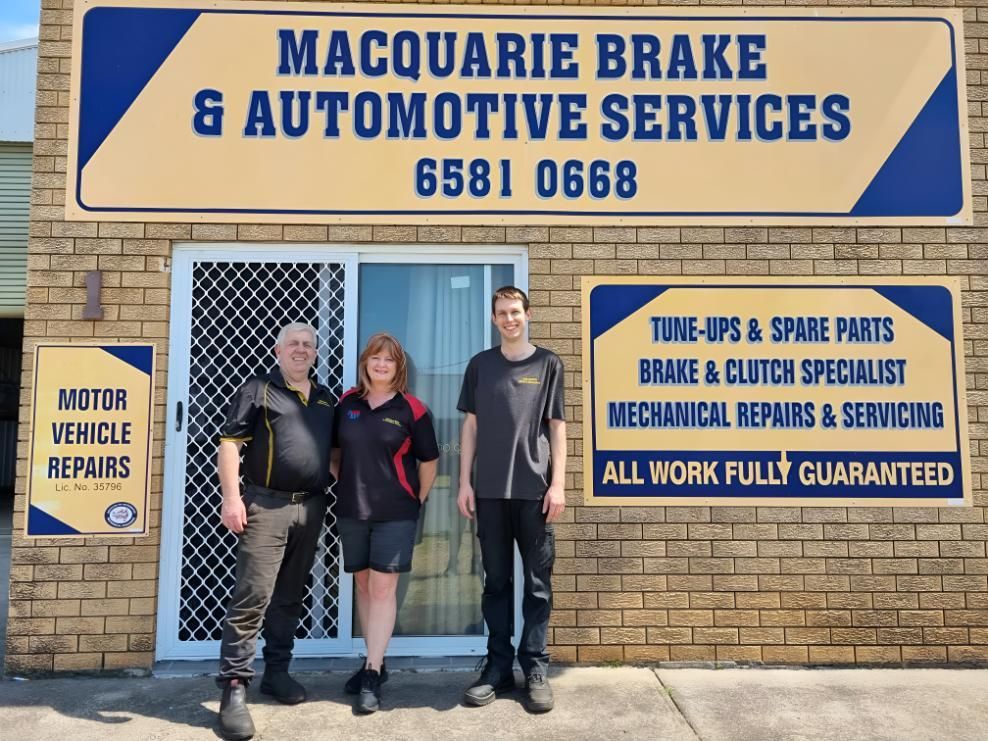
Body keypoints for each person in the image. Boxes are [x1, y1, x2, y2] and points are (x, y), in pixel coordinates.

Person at [214, 322, 334, 741]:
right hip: (265, 505)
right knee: (252, 597)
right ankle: (233, 688)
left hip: (311, 506)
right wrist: (232, 499)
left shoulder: (324, 398)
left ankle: (276, 674)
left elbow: (332, 456)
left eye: (308, 345)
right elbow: (230, 444)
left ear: (316, 353)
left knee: (289, 598)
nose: (301, 350)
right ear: (278, 350)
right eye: (293, 344)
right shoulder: (258, 389)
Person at [457, 286, 567, 713]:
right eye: (501, 313)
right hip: (488, 493)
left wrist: (558, 484)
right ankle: (499, 668)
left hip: (534, 493)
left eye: (515, 311)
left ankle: (535, 666)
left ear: (528, 314)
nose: (509, 319)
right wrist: (464, 482)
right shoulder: (480, 366)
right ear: (493, 319)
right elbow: (470, 428)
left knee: (538, 586)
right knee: (496, 583)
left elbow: (556, 427)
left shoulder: (548, 363)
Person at [332, 332, 439, 713]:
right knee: (362, 584)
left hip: (396, 512)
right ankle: (372, 659)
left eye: (389, 360)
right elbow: (335, 453)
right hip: (352, 510)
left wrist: (417, 497)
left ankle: (373, 672)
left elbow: (429, 461)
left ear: (399, 368)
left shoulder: (413, 409)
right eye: (375, 358)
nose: (381, 365)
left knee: (381, 589)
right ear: (365, 363)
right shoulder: (347, 403)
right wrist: (347, 483)